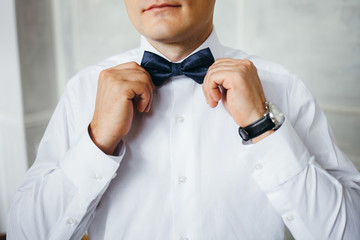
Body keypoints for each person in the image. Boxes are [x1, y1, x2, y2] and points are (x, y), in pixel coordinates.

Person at [7, 0, 360, 239]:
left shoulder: (284, 87)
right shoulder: (84, 91)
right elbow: (25, 232)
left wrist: (263, 126)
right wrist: (97, 140)